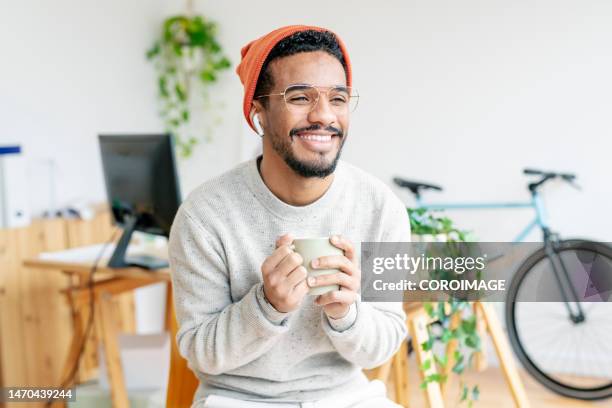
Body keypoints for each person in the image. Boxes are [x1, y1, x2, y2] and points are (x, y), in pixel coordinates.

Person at [168, 25, 411, 408]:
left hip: (344, 398)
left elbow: (383, 345)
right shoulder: (205, 215)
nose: (323, 116)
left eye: (338, 98)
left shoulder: (382, 208)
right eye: (300, 97)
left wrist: (348, 313)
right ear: (258, 111)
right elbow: (200, 352)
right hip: (238, 399)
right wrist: (266, 305)